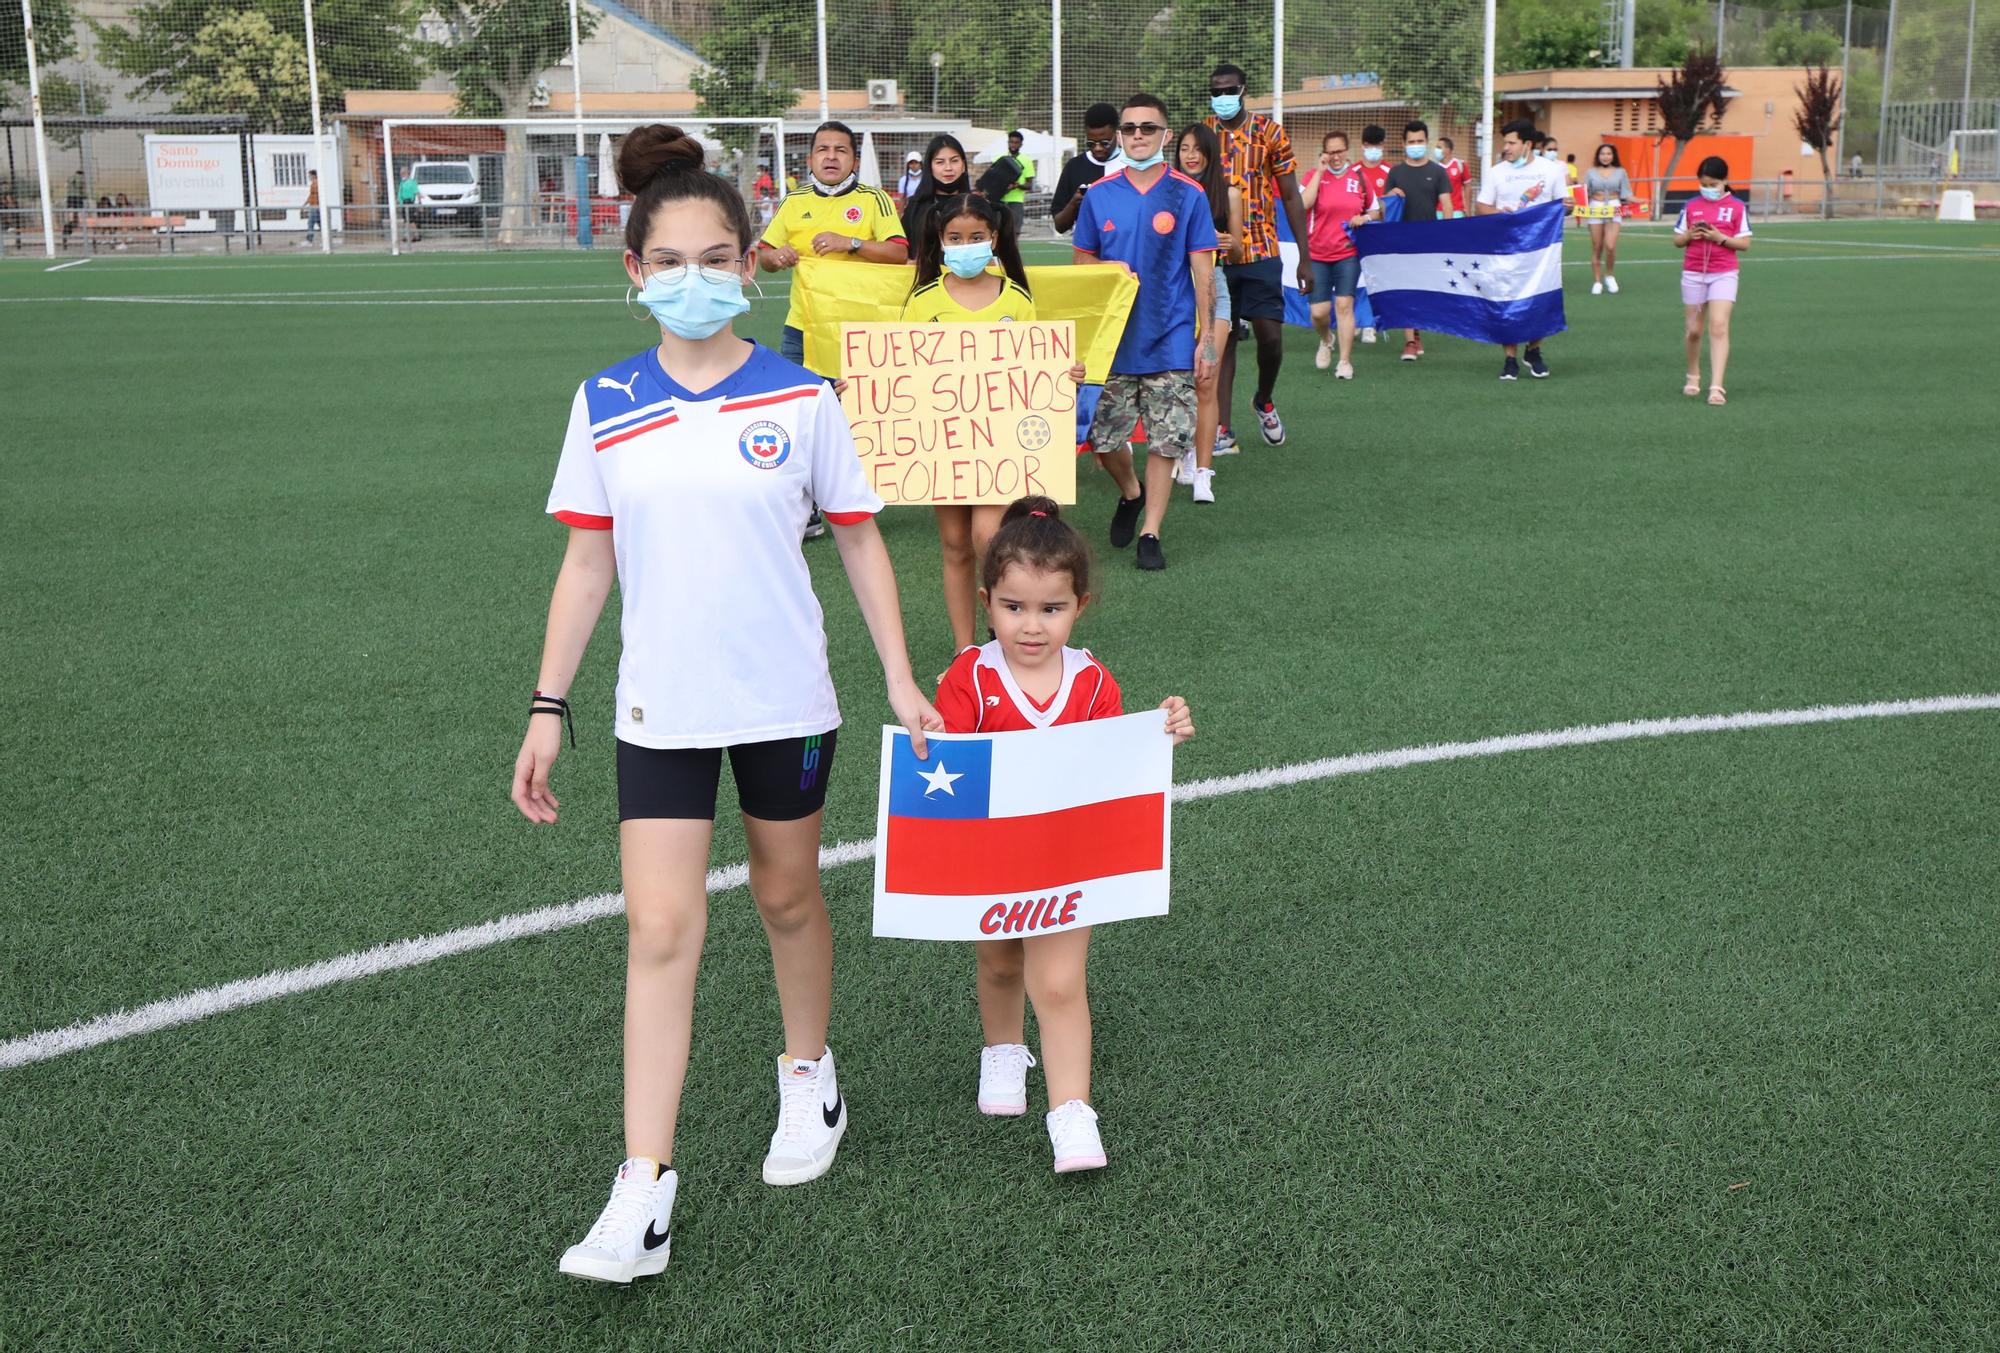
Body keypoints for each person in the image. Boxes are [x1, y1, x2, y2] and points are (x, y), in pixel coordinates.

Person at [518, 124, 942, 1286]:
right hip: (657, 709)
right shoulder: (601, 401)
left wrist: (900, 677)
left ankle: (808, 1075)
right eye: (668, 261)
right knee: (658, 931)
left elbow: (858, 544)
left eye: (715, 257)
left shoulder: (805, 398)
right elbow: (586, 565)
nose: (692, 279)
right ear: (633, 270)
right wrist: (547, 703)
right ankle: (641, 1186)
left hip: (785, 703)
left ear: (750, 263)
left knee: (787, 895)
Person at [931, 496, 1194, 1173]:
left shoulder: (1092, 679)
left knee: (1059, 980)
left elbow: (1114, 757)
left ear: (1080, 604)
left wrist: (1160, 727)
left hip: (1068, 861)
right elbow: (950, 763)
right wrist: (931, 738)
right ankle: (1002, 1048)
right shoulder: (971, 678)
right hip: (993, 858)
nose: (1031, 624)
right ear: (986, 601)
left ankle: (1071, 1108)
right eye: (1014, 606)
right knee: (998, 961)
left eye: (1051, 608)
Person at [902, 191, 1082, 650]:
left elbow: (1036, 367)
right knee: (955, 545)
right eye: (955, 237)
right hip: (943, 442)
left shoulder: (1017, 299)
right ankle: (966, 650)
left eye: (976, 236)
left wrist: (1064, 376)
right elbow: (900, 370)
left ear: (994, 238)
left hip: (1002, 441)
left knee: (988, 535)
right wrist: (863, 388)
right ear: (940, 241)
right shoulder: (923, 301)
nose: (966, 245)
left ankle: (1000, 629)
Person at [1073, 94, 1220, 572]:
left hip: (1172, 338)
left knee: (1165, 440)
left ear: (1166, 135)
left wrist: (1209, 340)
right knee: (1103, 439)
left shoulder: (1188, 195)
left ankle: (1151, 532)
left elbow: (1203, 274)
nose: (1138, 135)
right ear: (1119, 135)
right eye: (1131, 127)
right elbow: (1082, 267)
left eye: (1149, 128)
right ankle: (1130, 492)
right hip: (1113, 343)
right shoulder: (1099, 195)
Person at [1204, 62, 1312, 451]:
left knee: (1270, 338)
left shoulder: (1270, 132)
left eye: (1228, 90)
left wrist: (1304, 255)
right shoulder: (1203, 135)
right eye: (1215, 92)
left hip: (1263, 250)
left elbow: (1290, 195)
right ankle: (1222, 429)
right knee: (1223, 342)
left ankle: (1263, 398)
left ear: (1243, 90)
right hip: (1216, 256)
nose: (1222, 98)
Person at [757, 121, 909, 372]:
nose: (831, 156)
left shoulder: (874, 198)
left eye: (841, 150)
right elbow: (765, 255)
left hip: (861, 329)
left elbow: (899, 253)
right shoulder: (793, 202)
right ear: (810, 159)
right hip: (803, 328)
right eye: (822, 149)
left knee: (858, 409)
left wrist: (851, 243)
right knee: (803, 407)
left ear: (855, 162)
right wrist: (776, 257)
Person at [1173, 122, 1242, 505]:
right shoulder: (1167, 191)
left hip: (1214, 288)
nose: (1191, 155)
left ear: (1211, 153)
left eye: (1198, 148)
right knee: (1176, 380)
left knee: (1205, 380)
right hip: (1174, 291)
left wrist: (1229, 243)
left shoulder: (1229, 193)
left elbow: (1237, 253)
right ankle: (1181, 452)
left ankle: (1203, 472)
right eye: (1184, 148)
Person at [1476, 119, 1568, 381]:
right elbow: (1482, 207)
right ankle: (1509, 359)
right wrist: (1499, 213)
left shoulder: (1551, 171)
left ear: (1527, 145)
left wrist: (1570, 206)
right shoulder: (1496, 172)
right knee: (1507, 301)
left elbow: (1563, 206)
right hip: (1505, 249)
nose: (1506, 148)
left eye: (1511, 142)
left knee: (1541, 300)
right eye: (1505, 142)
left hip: (1541, 250)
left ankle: (1534, 351)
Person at [1674, 155, 1751, 406]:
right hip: (1694, 272)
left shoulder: (1737, 207)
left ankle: (1717, 385)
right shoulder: (1691, 205)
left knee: (1718, 326)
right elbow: (1676, 241)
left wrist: (1720, 237)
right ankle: (1693, 375)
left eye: (1713, 184)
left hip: (1724, 272)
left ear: (1724, 181)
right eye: (1704, 184)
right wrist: (1689, 235)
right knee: (1694, 330)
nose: (1708, 189)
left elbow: (1745, 244)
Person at [1382, 119, 1456, 362]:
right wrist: (1390, 195)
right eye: (1411, 142)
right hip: (1400, 241)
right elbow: (1383, 208)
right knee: (1405, 291)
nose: (1416, 145)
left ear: (1427, 142)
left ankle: (1417, 332)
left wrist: (1445, 233)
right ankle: (1410, 342)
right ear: (1404, 144)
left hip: (1429, 241)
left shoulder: (1437, 171)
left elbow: (1446, 203)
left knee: (1422, 292)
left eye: (1420, 141)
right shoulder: (1395, 172)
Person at [1301, 129, 1371, 380]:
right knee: (1318, 312)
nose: (1336, 156)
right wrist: (1320, 173)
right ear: (1324, 153)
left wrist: (1364, 217)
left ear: (1347, 150)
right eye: (1330, 152)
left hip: (1347, 253)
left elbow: (1376, 211)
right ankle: (1326, 339)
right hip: (1317, 254)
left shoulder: (1359, 178)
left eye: (1340, 151)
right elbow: (1303, 204)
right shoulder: (1313, 176)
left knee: (1344, 305)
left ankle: (1344, 362)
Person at [1051, 103, 1122, 234]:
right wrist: (1074, 203)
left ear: (1117, 133)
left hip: (1125, 250)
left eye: (1104, 143)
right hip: (1087, 251)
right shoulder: (1074, 167)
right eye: (1091, 143)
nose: (1098, 148)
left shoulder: (1131, 165)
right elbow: (1060, 226)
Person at [899, 133, 970, 250]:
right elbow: (903, 250)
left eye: (954, 161)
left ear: (963, 165)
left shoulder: (976, 206)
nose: (948, 168)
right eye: (940, 162)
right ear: (929, 167)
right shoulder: (915, 207)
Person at [1353, 124, 1391, 344]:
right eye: (1369, 145)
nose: (1373, 149)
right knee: (1354, 277)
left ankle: (1369, 324)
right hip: (1357, 232)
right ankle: (1356, 320)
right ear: (1363, 146)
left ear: (1383, 145)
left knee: (1373, 279)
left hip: (1379, 235)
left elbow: (1392, 204)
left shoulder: (1390, 171)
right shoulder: (1354, 170)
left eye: (1377, 145)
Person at [1584, 144, 1634, 294]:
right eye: (1602, 154)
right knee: (1597, 246)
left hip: (1614, 207)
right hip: (1595, 207)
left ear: (1613, 155)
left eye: (1608, 153)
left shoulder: (1621, 172)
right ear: (1598, 156)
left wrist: (1641, 202)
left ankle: (1610, 275)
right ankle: (1597, 281)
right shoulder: (1590, 172)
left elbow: (1627, 193)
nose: (1605, 156)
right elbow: (1584, 193)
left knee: (1610, 246)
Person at [998, 130, 1035, 235]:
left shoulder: (1027, 161)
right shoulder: (1000, 159)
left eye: (1016, 142)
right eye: (1011, 142)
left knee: (1014, 234)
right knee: (999, 234)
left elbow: (1029, 185)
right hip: (999, 201)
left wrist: (1017, 185)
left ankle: (1014, 252)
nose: (1013, 145)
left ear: (1021, 144)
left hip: (1016, 202)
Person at [1438, 136, 1470, 217]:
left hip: (1457, 211)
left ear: (1448, 150)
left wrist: (1467, 208)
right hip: (1438, 211)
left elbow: (1468, 187)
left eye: (1439, 147)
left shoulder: (1461, 165)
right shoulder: (1434, 168)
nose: (1436, 150)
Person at [397, 168, 421, 244]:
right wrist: (398, 202)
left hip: (410, 202)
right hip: (404, 203)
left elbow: (416, 192)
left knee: (411, 220)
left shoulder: (412, 182)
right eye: (401, 173)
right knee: (405, 220)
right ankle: (406, 235)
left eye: (403, 173)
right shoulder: (402, 183)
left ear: (408, 173)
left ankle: (416, 235)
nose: (402, 174)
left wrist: (420, 203)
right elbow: (399, 194)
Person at [303, 171, 321, 246]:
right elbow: (311, 196)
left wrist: (305, 204)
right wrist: (305, 204)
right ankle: (327, 239)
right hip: (315, 206)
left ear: (313, 176)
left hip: (315, 207)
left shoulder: (315, 185)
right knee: (320, 223)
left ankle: (309, 241)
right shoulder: (314, 184)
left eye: (309, 176)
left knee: (310, 223)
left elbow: (312, 196)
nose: (309, 177)